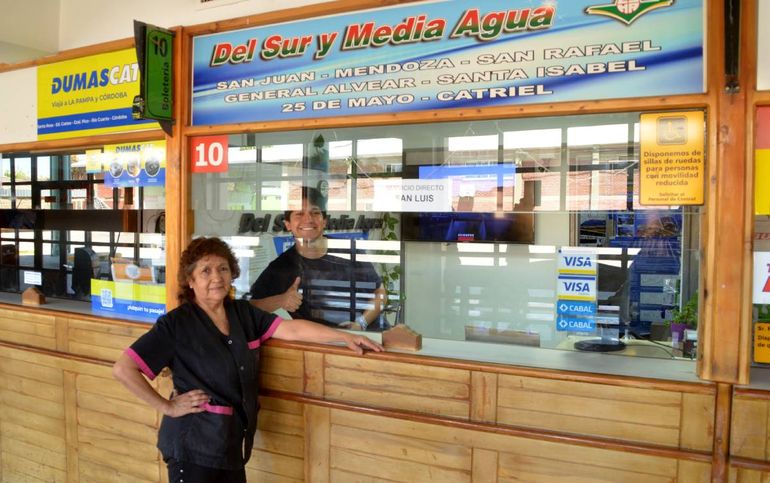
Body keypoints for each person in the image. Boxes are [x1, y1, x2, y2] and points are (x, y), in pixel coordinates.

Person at [112, 237, 382, 483]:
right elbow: (124, 369)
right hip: (192, 448)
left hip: (231, 447)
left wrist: (343, 336)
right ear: (190, 281)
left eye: (223, 268)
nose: (216, 277)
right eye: (205, 271)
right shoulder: (176, 324)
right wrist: (168, 407)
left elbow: (292, 330)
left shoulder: (243, 313)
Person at [249, 187, 387, 330]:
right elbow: (252, 306)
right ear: (288, 224)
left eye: (315, 213)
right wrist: (281, 300)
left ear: (324, 221)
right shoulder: (281, 267)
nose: (308, 219)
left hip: (368, 335)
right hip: (321, 340)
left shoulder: (349, 250)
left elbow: (380, 292)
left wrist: (361, 324)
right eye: (299, 214)